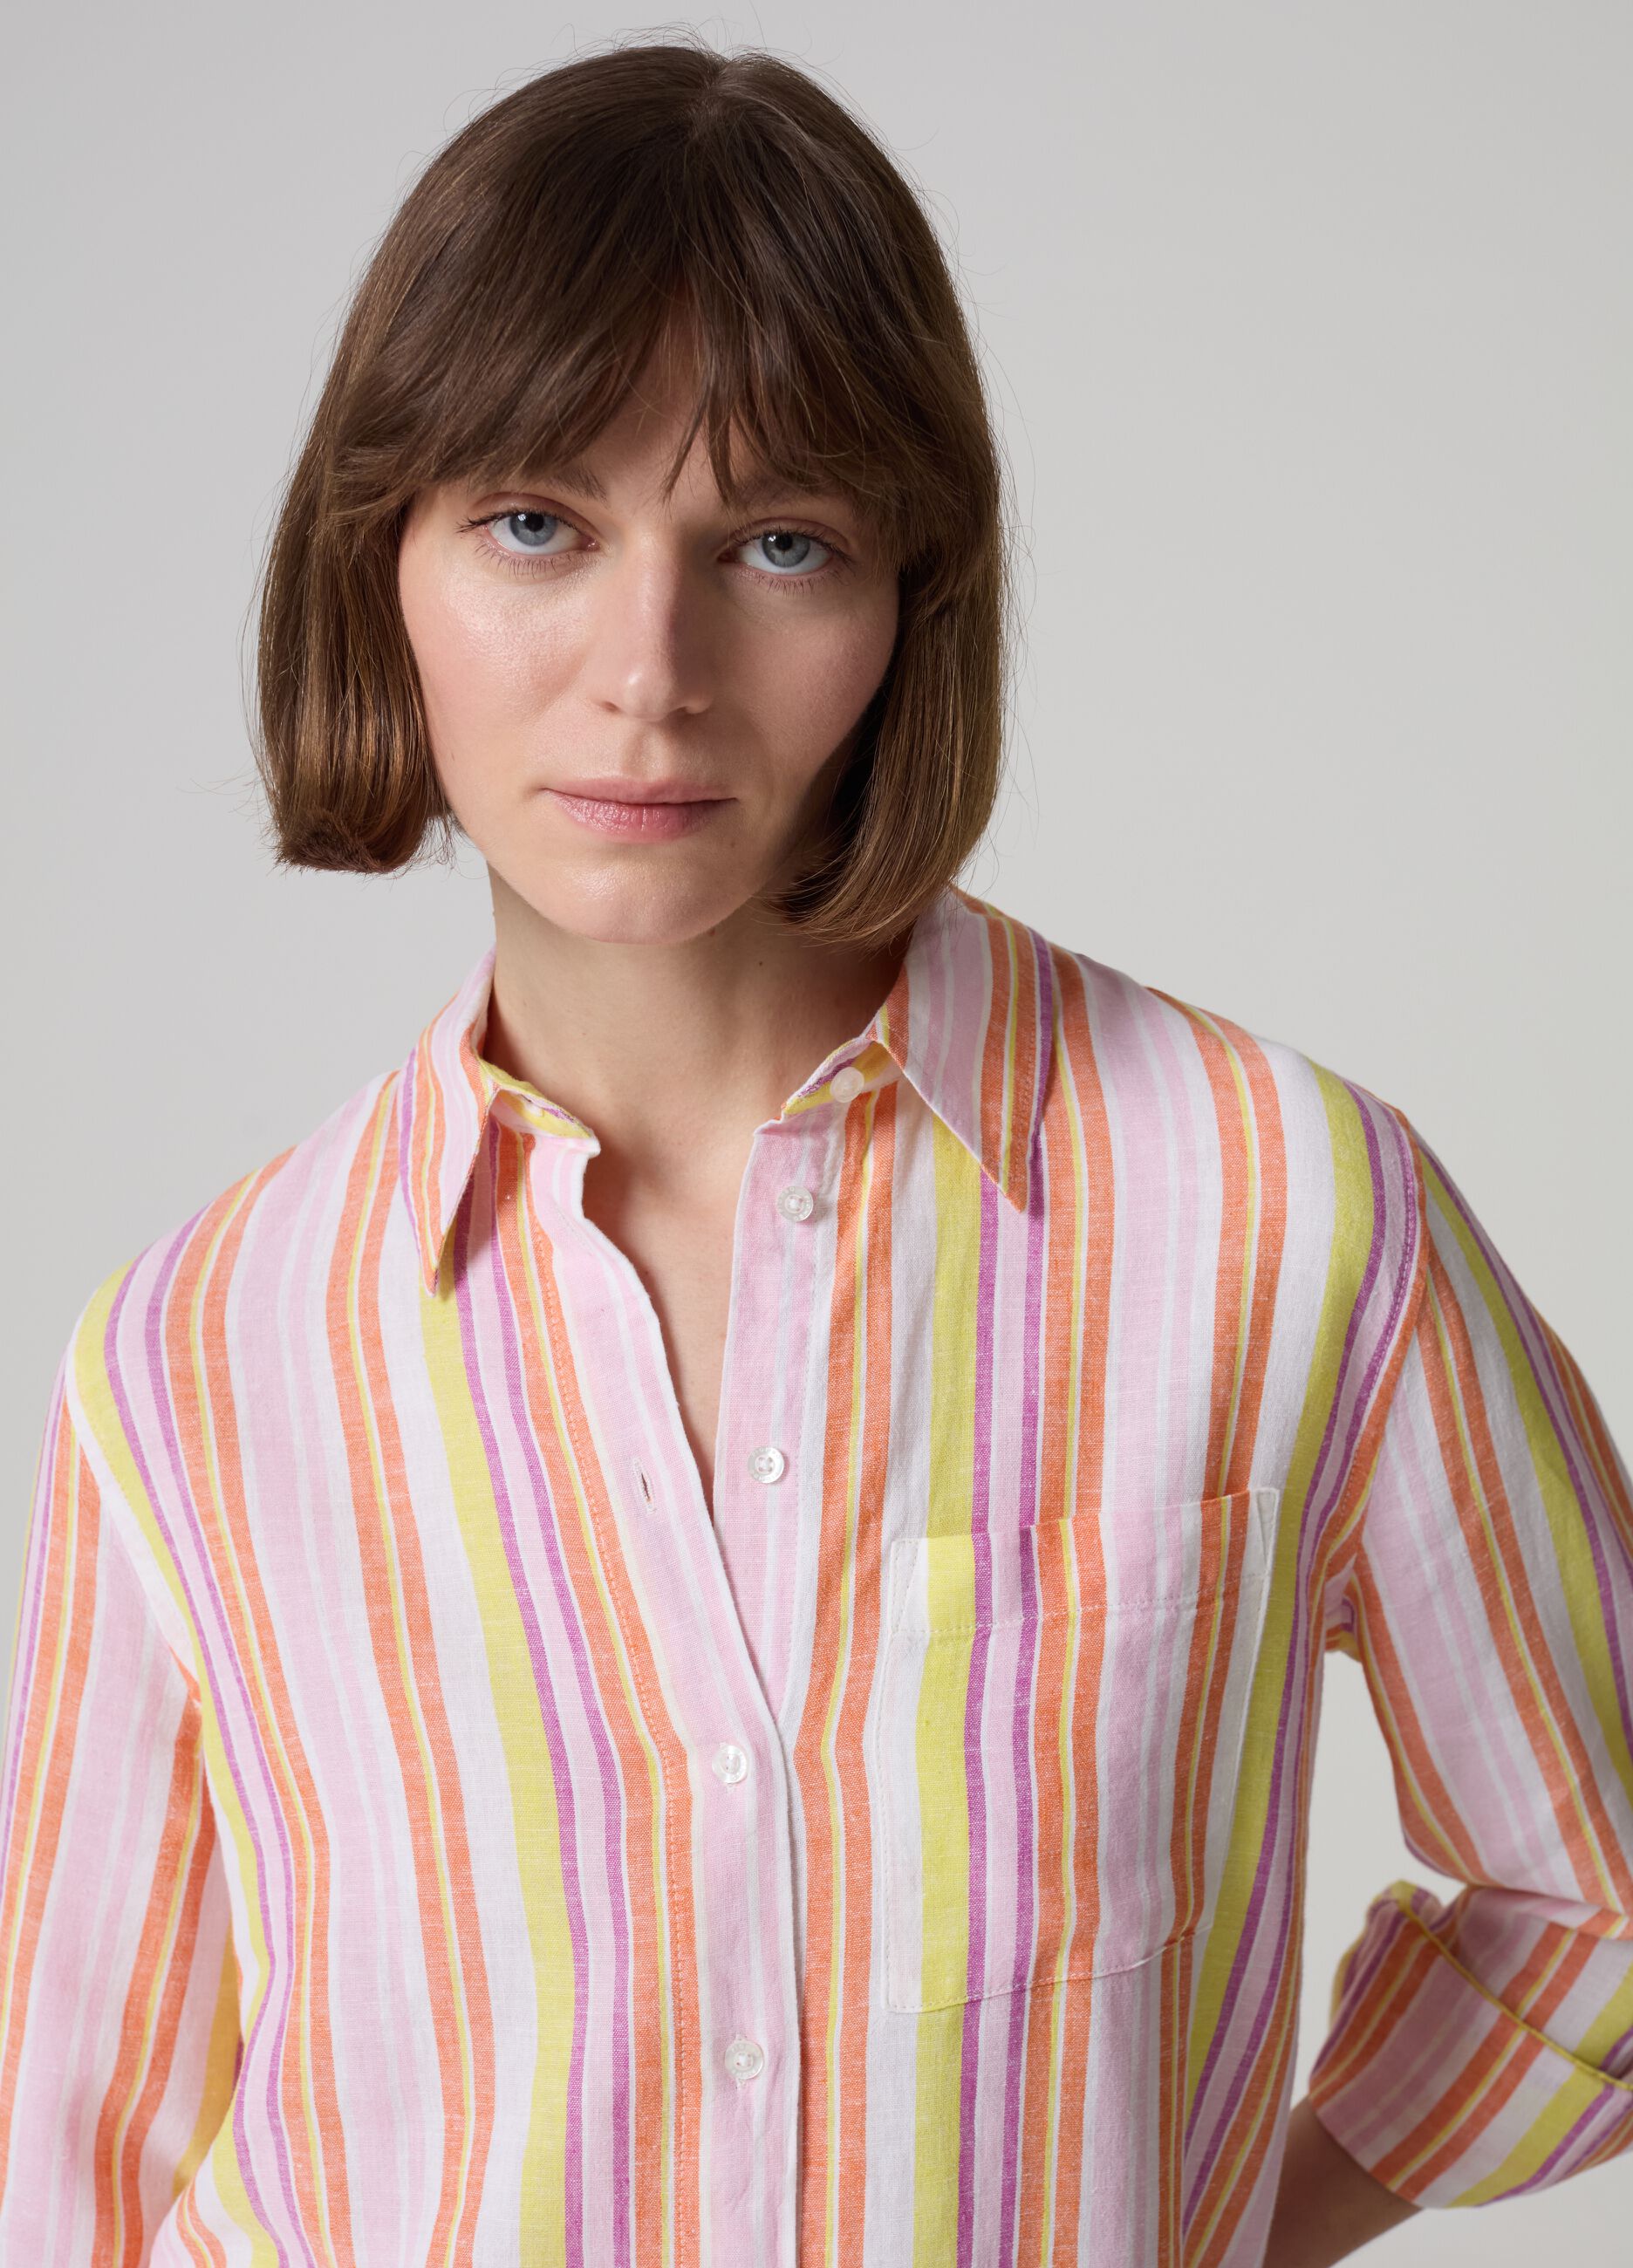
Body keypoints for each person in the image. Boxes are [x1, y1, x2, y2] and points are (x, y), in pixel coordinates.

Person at [1, 34, 1628, 2268]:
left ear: (903, 602)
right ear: (380, 559)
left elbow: (1609, 1896)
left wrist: (1236, 2222)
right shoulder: (194, 1365)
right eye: (536, 522)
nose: (648, 666)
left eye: (777, 539)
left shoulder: (1282, 1210)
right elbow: (61, 2173)